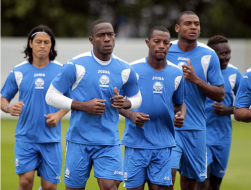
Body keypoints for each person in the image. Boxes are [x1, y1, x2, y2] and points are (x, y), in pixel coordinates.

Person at [45, 19, 142, 190]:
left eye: (110, 34)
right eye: (101, 35)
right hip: (78, 141)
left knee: (110, 186)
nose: (107, 39)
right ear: (91, 40)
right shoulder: (75, 65)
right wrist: (83, 105)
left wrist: (125, 102)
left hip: (109, 142)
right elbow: (51, 96)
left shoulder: (125, 69)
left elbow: (137, 98)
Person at [0, 25, 69, 190]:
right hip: (26, 138)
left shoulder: (61, 71)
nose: (43, 45)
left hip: (51, 140)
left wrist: (59, 115)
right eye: (38, 41)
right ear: (31, 43)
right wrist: (9, 108)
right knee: (25, 182)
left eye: (47, 42)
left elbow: (71, 99)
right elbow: (3, 99)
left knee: (49, 187)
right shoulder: (18, 71)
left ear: (51, 45)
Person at [119, 26, 186, 190]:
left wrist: (181, 115)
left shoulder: (177, 73)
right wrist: (131, 115)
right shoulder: (132, 70)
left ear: (170, 46)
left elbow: (179, 103)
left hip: (163, 144)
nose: (161, 45)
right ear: (148, 43)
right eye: (157, 41)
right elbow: (116, 103)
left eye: (165, 42)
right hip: (136, 143)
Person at [166, 11, 225, 190]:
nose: (193, 27)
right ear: (177, 28)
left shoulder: (209, 55)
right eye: (188, 23)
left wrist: (196, 79)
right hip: (169, 127)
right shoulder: (166, 51)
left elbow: (220, 94)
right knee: (168, 174)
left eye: (196, 24)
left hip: (196, 127)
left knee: (190, 181)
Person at [197, 35, 242, 190]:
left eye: (228, 53)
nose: (227, 57)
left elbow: (245, 104)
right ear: (212, 56)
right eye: (222, 54)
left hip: (223, 139)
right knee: (203, 181)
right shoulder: (201, 74)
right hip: (202, 137)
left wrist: (228, 110)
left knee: (215, 184)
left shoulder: (235, 74)